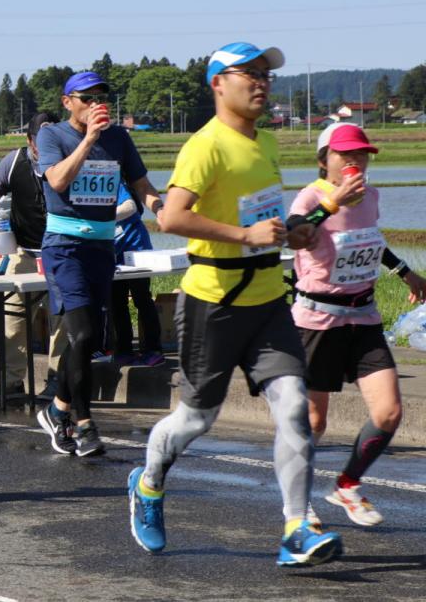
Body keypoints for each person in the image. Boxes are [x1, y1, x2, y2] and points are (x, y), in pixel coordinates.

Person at [127, 42, 343, 567]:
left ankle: (296, 528)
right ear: (218, 83)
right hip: (214, 300)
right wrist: (243, 234)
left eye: (267, 75)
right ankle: (149, 484)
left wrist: (295, 231)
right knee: (197, 418)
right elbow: (171, 218)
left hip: (269, 296)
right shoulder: (206, 146)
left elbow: (265, 221)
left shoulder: (266, 141)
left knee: (293, 406)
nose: (263, 83)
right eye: (250, 73)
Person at [287, 122, 426, 526]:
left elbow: (370, 238)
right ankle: (299, 506)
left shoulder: (372, 196)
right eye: (346, 155)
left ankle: (347, 484)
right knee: (314, 422)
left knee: (389, 412)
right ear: (323, 161)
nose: (355, 161)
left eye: (362, 154)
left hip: (363, 317)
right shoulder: (311, 195)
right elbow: (294, 234)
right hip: (317, 320)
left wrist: (405, 272)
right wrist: (332, 203)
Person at [34, 72, 163, 458]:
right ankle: (85, 423)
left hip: (101, 247)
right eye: (87, 98)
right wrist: (89, 138)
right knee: (85, 335)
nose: (96, 103)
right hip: (64, 246)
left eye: (101, 97)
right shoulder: (52, 135)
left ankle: (58, 409)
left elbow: (143, 186)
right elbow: (56, 180)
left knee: (90, 338)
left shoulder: (120, 139)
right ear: (67, 101)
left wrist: (163, 207)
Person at [0, 112, 58, 399]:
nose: (47, 147)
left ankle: (57, 383)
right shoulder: (14, 160)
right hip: (24, 251)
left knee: (61, 321)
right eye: (42, 142)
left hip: (61, 253)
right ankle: (12, 382)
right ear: (30, 140)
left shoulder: (69, 158)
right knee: (12, 318)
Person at [110, 182, 164, 366]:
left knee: (142, 299)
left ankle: (153, 349)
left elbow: (130, 206)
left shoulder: (113, 182)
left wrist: (102, 216)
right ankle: (124, 350)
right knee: (117, 302)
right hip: (113, 253)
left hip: (136, 249)